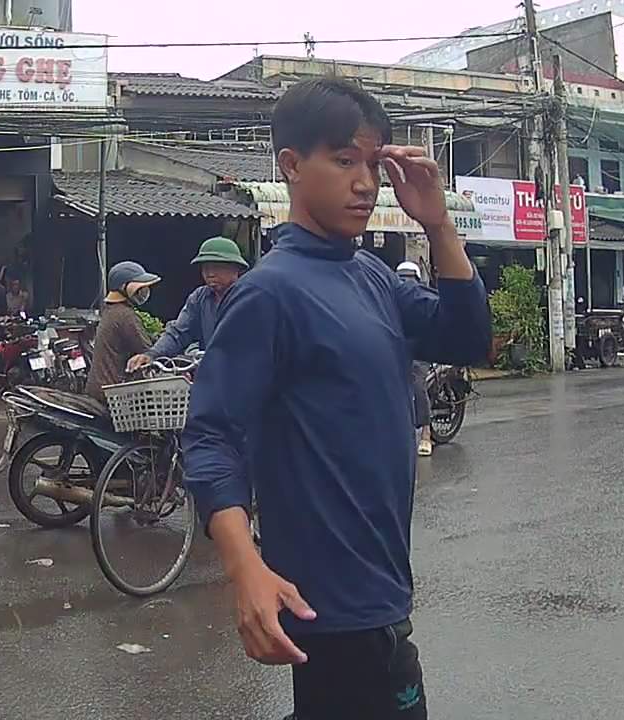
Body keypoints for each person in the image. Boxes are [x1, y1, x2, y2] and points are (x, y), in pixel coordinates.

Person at [182, 78, 491, 720]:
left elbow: (466, 337)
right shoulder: (269, 293)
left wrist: (438, 223)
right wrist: (246, 569)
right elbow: (210, 438)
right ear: (291, 165)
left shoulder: (371, 276)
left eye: (373, 165)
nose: (365, 183)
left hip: (382, 592)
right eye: (345, 160)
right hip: (329, 609)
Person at [127, 236, 247, 373]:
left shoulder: (250, 296)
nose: (210, 273)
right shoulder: (199, 298)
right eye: (205, 268)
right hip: (211, 373)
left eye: (216, 267)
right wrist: (152, 354)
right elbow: (179, 332)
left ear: (235, 269)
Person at [85, 261, 159, 405]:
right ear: (124, 287)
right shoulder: (125, 316)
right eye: (140, 287)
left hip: (98, 390)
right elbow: (148, 351)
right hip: (113, 395)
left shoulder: (110, 311)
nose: (144, 291)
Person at [396, 261, 436, 457]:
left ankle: (426, 434)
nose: (406, 282)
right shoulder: (390, 301)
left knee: (417, 385)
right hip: (398, 351)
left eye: (409, 278)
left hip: (420, 354)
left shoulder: (424, 300)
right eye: (402, 278)